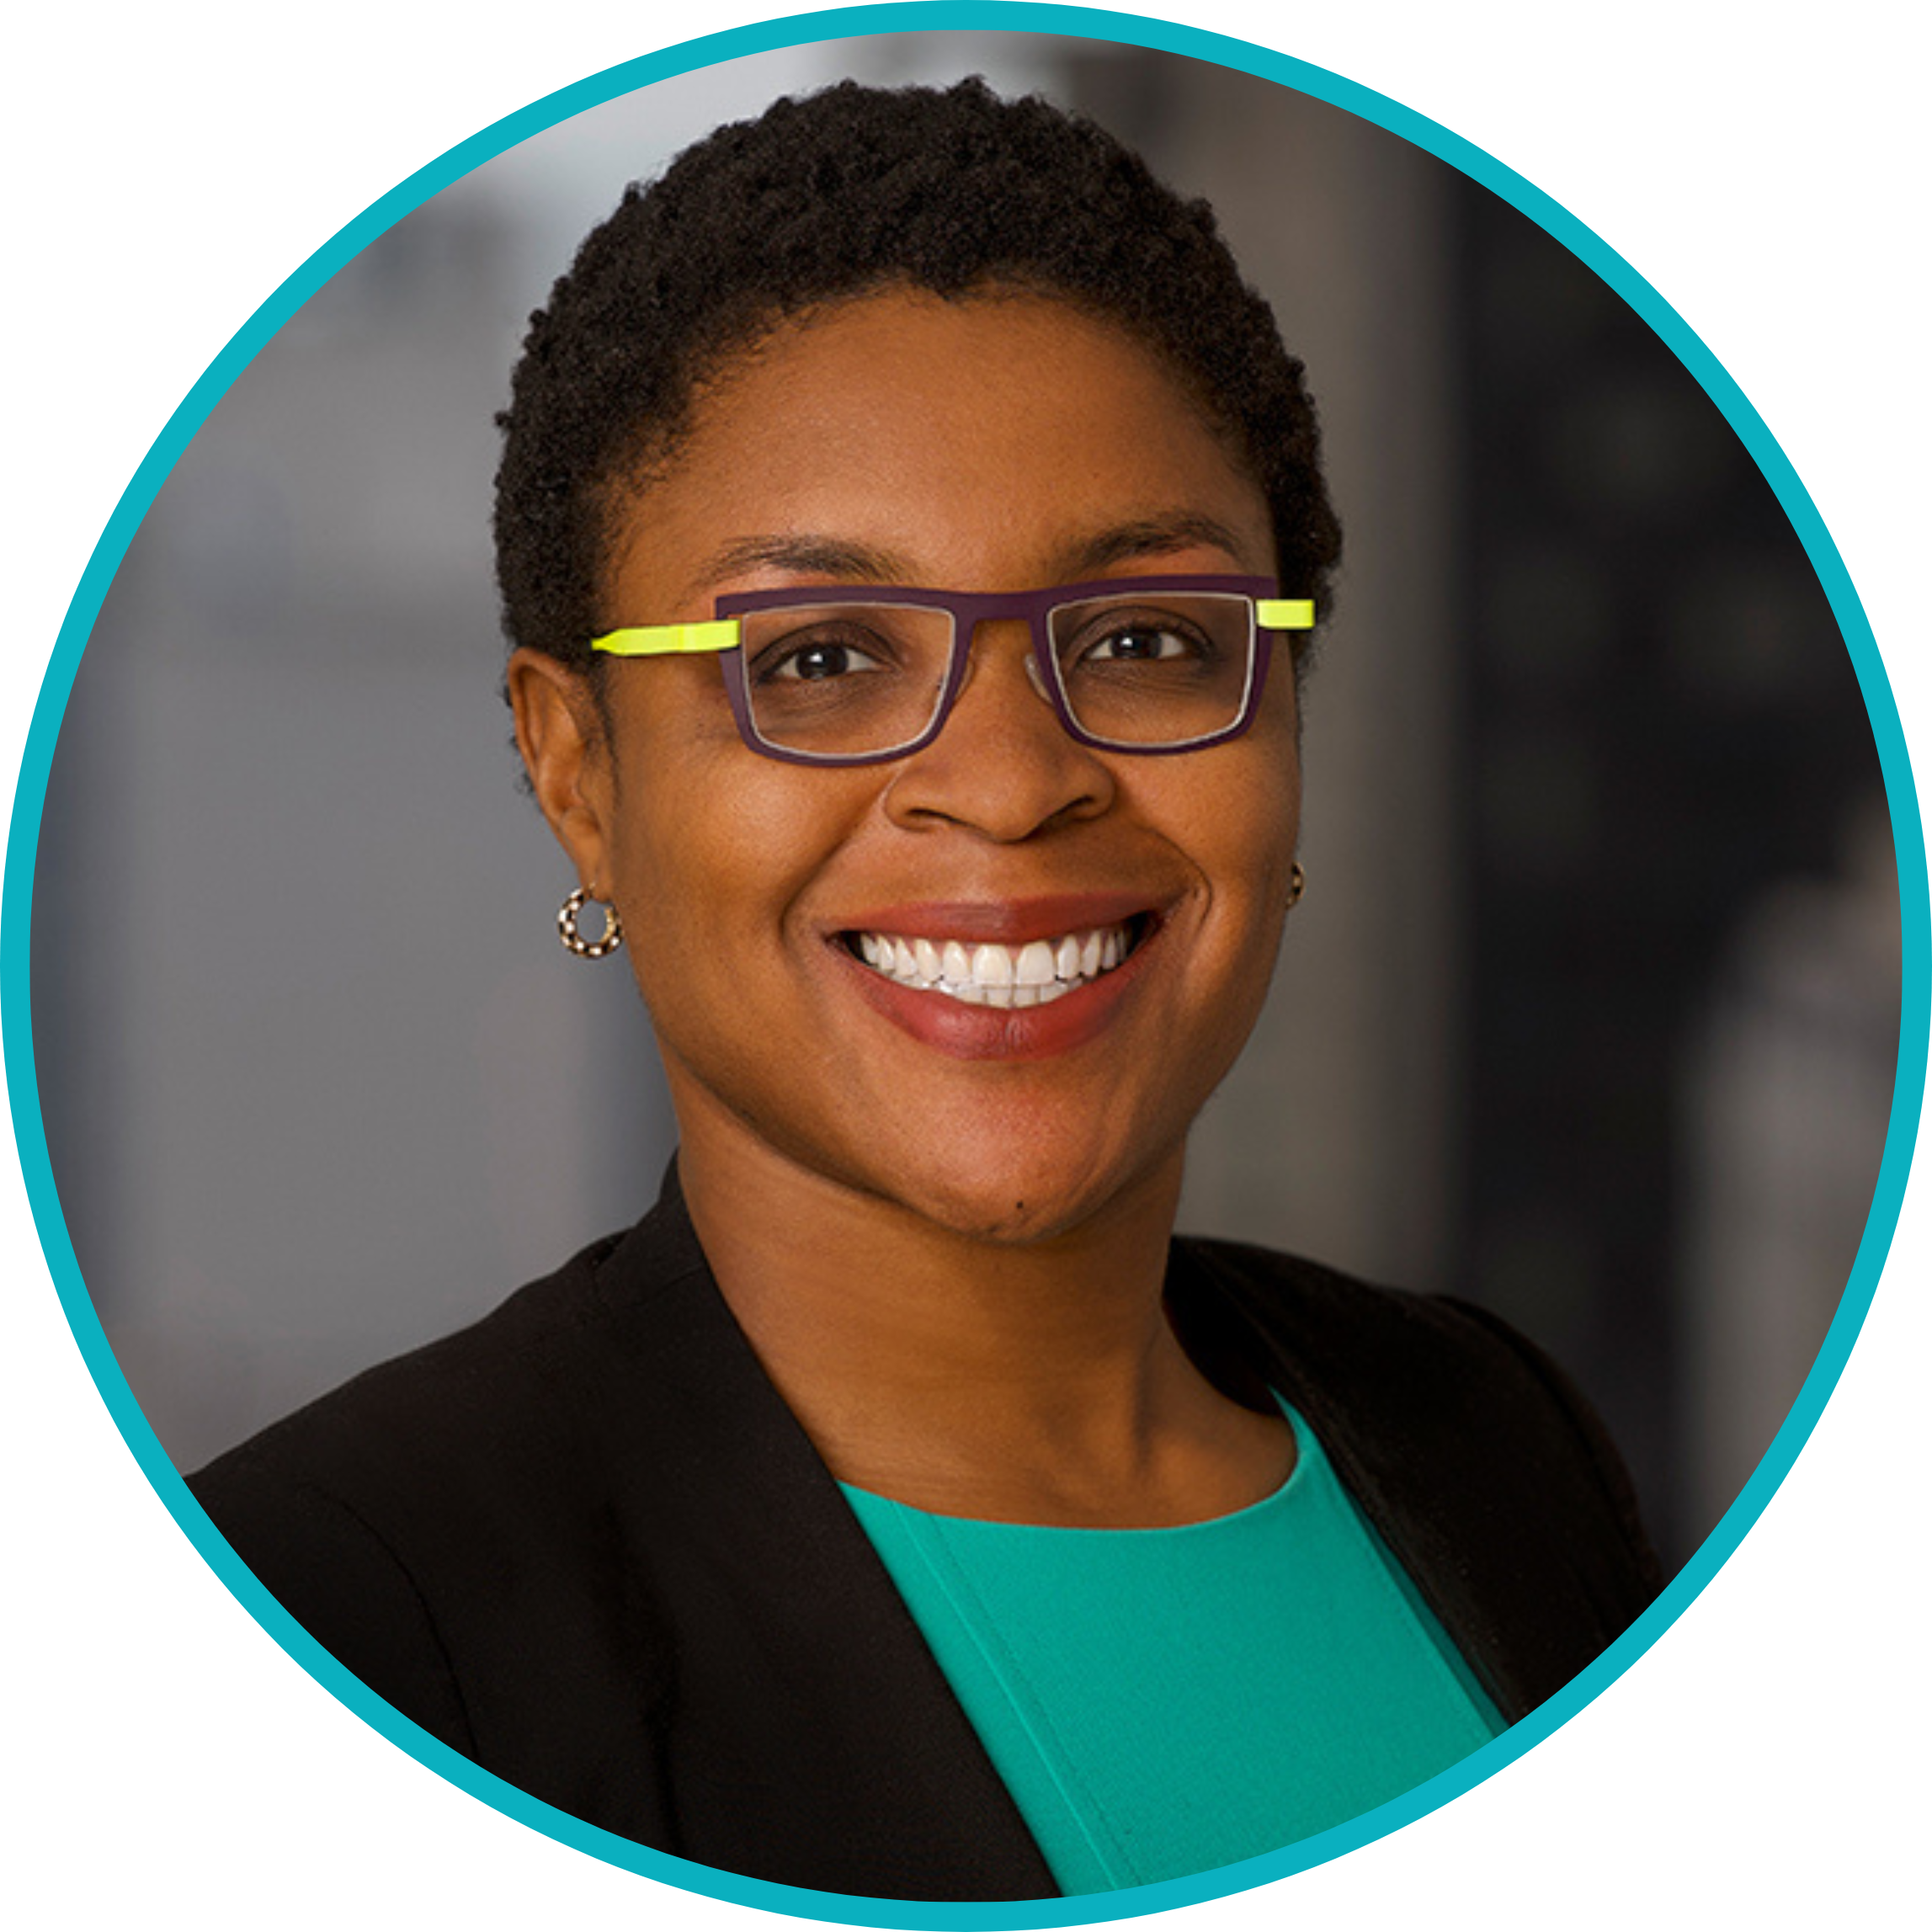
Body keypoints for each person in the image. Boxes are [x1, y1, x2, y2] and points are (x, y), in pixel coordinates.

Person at [189, 78, 1659, 1900]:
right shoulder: (324, 1619)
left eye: (1144, 639)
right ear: (578, 773)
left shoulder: (1492, 1435)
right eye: (818, 657)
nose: (1012, 781)